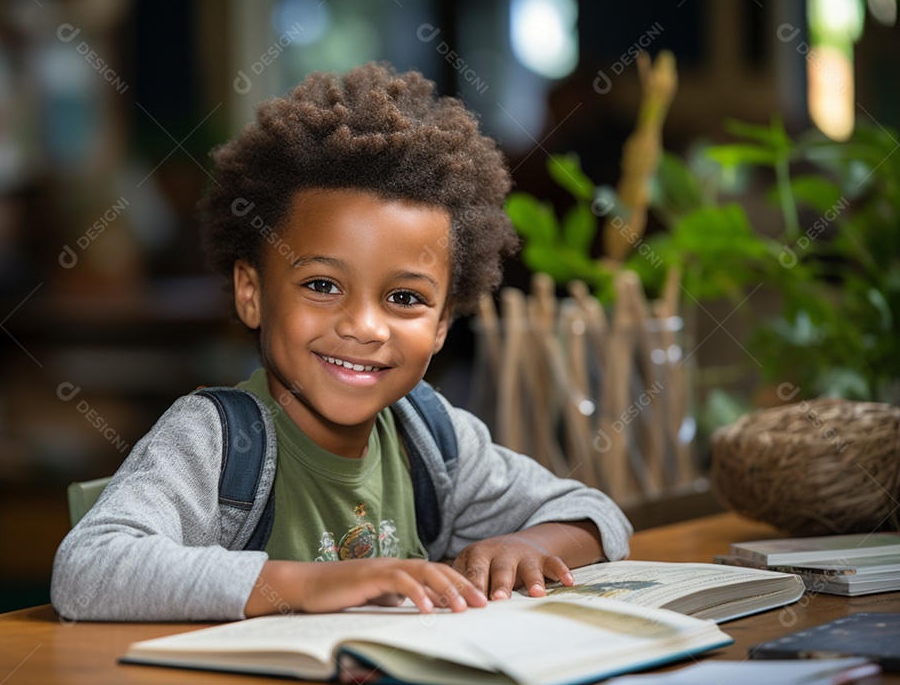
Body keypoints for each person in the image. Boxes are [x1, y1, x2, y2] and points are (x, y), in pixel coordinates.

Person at [50, 63, 632, 622]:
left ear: (443, 324)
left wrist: (522, 544)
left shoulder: (433, 441)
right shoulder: (216, 443)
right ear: (251, 293)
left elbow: (598, 515)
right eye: (323, 285)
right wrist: (310, 583)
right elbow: (86, 568)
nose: (364, 327)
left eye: (405, 299)